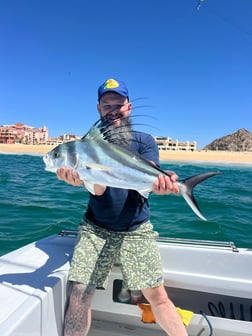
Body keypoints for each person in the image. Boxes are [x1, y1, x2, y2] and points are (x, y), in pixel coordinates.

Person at [57, 78, 188, 336]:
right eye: (107, 105)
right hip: (96, 228)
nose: (113, 110)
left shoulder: (144, 141)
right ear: (99, 110)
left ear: (129, 107)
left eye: (119, 104)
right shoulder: (87, 147)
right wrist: (82, 176)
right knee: (80, 291)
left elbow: (150, 175)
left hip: (136, 227)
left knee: (156, 294)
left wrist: (161, 183)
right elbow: (99, 190)